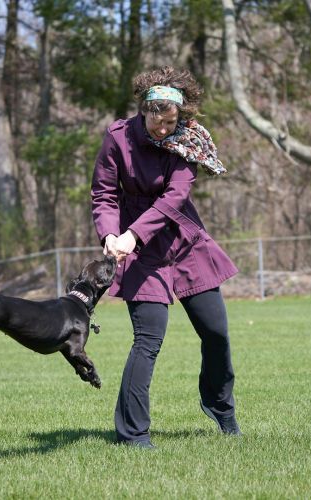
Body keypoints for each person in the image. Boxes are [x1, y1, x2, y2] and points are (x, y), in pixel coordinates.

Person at [91, 66, 241, 449]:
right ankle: (132, 434)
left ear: (181, 116)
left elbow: (174, 199)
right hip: (140, 254)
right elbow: (104, 194)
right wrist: (110, 233)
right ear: (143, 110)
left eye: (170, 121)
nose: (162, 129)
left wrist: (132, 233)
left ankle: (220, 405)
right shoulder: (118, 137)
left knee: (217, 333)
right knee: (147, 339)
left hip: (183, 243)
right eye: (156, 120)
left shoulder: (188, 139)